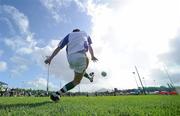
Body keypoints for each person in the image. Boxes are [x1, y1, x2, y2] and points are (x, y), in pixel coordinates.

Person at [44, 28, 98, 102]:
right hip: (81, 56)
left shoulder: (69, 35)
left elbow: (58, 48)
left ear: (73, 32)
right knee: (76, 81)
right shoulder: (85, 33)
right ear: (79, 31)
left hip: (71, 59)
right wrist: (92, 56)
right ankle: (56, 94)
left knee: (80, 71)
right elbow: (89, 46)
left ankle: (89, 77)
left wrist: (50, 58)